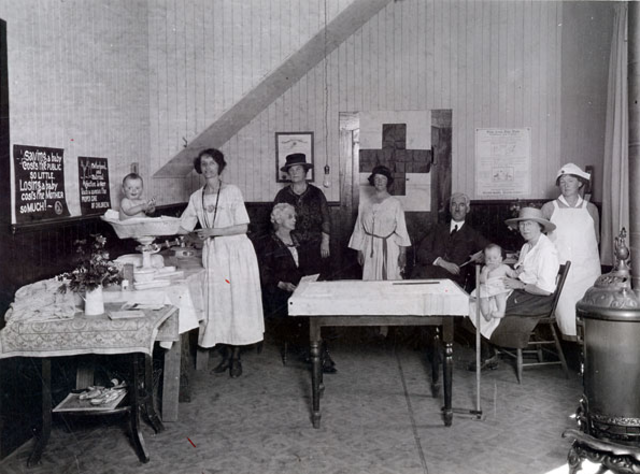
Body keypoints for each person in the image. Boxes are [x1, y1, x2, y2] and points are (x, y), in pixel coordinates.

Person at [179, 148, 264, 378]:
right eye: (203, 164)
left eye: (212, 163)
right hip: (214, 253)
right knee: (219, 302)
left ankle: (236, 357)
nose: (208, 168)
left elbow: (242, 226)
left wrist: (212, 231)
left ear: (220, 166)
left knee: (237, 301)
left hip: (236, 251)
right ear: (199, 168)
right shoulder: (196, 197)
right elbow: (183, 226)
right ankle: (227, 355)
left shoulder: (231, 191)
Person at [470, 207, 560, 370]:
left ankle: (488, 353)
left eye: (529, 224)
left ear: (540, 226)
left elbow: (546, 290)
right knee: (477, 297)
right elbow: (520, 270)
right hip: (523, 290)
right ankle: (489, 351)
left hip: (538, 299)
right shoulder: (527, 246)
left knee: (485, 304)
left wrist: (520, 285)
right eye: (522, 224)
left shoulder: (546, 250)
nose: (525, 228)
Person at [541, 163, 601, 340]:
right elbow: (540, 242)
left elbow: (596, 239)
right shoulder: (549, 208)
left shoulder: (591, 209)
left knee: (589, 314)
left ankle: (587, 351)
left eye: (571, 181)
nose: (566, 185)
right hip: (561, 272)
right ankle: (571, 350)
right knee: (566, 315)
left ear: (580, 183)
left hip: (588, 271)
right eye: (562, 182)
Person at [348, 165, 411, 280]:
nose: (380, 181)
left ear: (388, 181)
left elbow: (402, 230)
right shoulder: (364, 204)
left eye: (383, 178)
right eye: (377, 178)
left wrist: (402, 253)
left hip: (390, 247)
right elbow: (359, 228)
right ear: (373, 181)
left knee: (391, 277)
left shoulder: (395, 204)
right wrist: (359, 250)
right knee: (369, 277)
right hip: (369, 247)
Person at [413, 192, 489, 287]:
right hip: (426, 277)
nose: (457, 209)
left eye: (461, 205)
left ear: (467, 209)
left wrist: (484, 257)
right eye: (454, 205)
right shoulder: (438, 229)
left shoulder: (473, 234)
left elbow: (497, 251)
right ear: (450, 209)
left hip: (452, 282)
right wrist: (441, 262)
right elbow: (421, 252)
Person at [274, 153, 331, 277]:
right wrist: (282, 245)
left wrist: (325, 242)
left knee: (314, 278)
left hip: (315, 245)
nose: (294, 172)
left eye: (298, 169)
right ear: (288, 173)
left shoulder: (316, 193)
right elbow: (276, 223)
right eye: (291, 170)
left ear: (305, 172)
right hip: (291, 245)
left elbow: (326, 219)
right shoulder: (282, 195)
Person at [477, 243, 518, 322]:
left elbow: (513, 275)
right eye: (488, 258)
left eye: (495, 258)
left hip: (500, 287)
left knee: (500, 296)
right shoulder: (485, 268)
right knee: (483, 299)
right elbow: (482, 280)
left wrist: (518, 271)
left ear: (500, 259)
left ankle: (501, 312)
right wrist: (485, 272)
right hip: (488, 288)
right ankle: (486, 314)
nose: (491, 260)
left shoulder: (504, 267)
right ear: (485, 259)